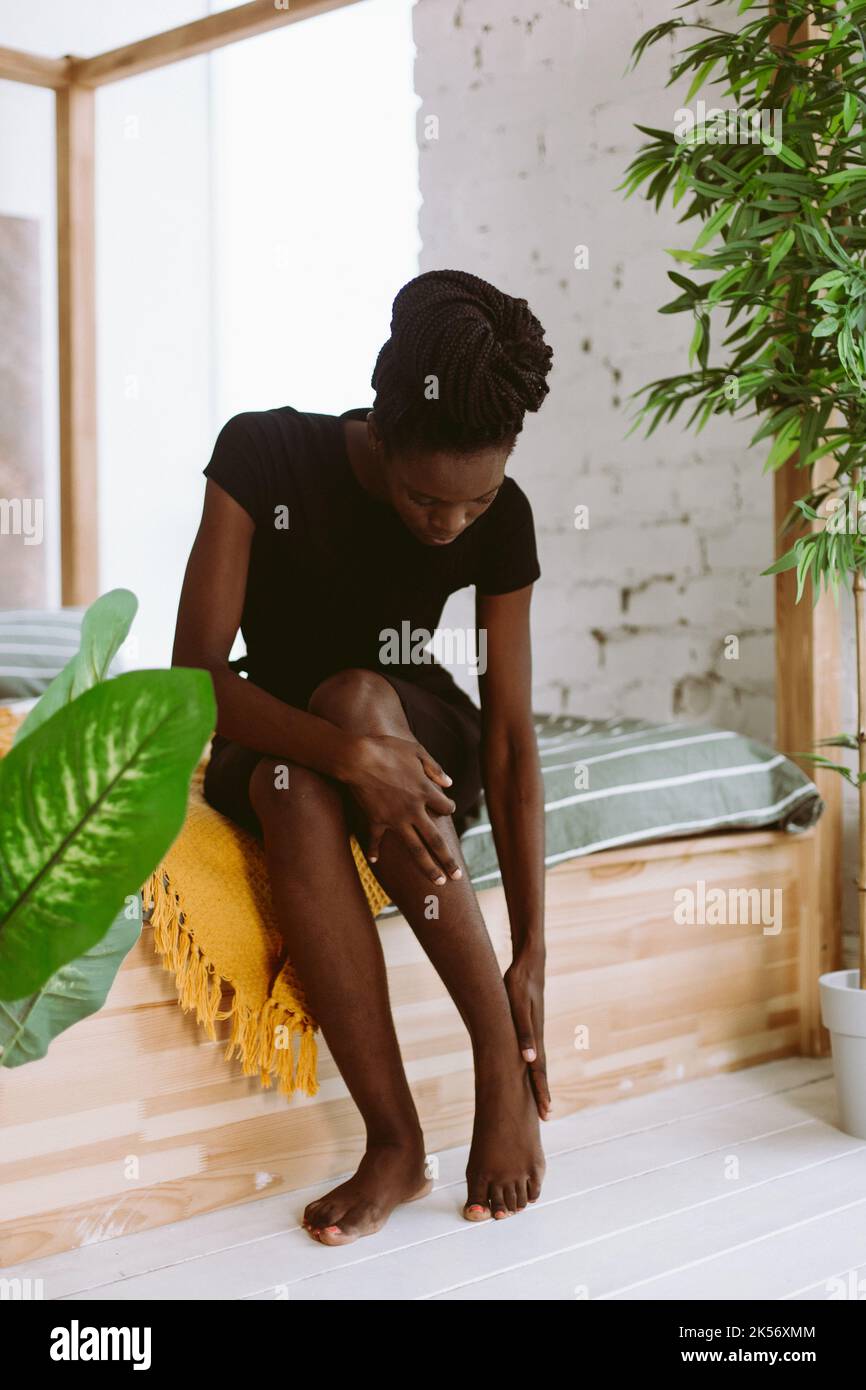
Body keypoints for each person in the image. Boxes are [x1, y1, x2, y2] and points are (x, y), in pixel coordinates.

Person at [172, 268, 554, 1246]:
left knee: (360, 692)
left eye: (472, 507)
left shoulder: (500, 517)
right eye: (427, 499)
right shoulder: (263, 453)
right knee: (293, 784)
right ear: (379, 435)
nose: (447, 524)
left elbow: (509, 739)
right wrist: (347, 754)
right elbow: (195, 679)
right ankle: (394, 1141)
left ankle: (496, 1060)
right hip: (285, 733)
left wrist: (530, 955)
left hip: (415, 732)